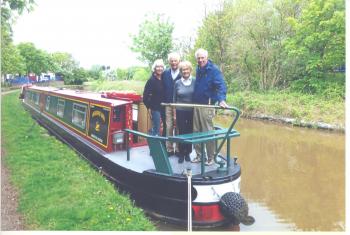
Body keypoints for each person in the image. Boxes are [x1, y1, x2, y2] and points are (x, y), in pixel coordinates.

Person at [191, 48, 229, 166]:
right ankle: (199, 155)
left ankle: (211, 157)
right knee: (196, 131)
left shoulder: (214, 70)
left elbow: (221, 85)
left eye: (202, 58)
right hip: (196, 105)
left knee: (208, 131)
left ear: (207, 58)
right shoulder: (198, 68)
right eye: (199, 58)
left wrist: (221, 99)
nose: (201, 60)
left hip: (207, 106)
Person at [173, 61, 195, 163]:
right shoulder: (177, 83)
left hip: (191, 111)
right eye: (183, 70)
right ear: (181, 71)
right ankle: (181, 153)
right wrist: (174, 113)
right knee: (181, 131)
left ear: (190, 70)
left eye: (187, 69)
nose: (185, 71)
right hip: (180, 111)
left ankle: (188, 153)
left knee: (189, 131)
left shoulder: (195, 81)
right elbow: (174, 99)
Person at [162, 52, 182, 156]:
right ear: (169, 62)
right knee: (169, 126)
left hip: (180, 105)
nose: (174, 63)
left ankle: (178, 149)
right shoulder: (165, 73)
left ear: (179, 61)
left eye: (175, 61)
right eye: (172, 61)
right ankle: (169, 149)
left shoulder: (183, 72)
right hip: (168, 104)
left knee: (178, 126)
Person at [143, 59, 165, 136]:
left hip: (163, 108)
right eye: (157, 67)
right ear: (154, 68)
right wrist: (150, 107)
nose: (159, 68)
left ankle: (162, 145)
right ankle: (154, 146)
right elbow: (145, 97)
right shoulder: (151, 80)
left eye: (161, 67)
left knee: (163, 128)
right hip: (155, 109)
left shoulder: (163, 79)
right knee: (157, 129)